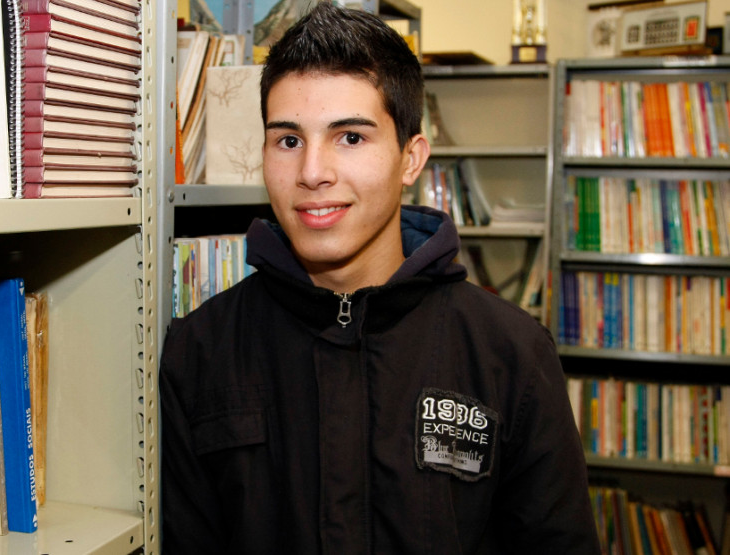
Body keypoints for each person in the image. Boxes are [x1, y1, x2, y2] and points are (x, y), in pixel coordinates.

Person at [159, 3, 600, 553]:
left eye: (350, 137)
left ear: (411, 159)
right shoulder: (199, 351)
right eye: (288, 140)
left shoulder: (510, 352)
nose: (312, 172)